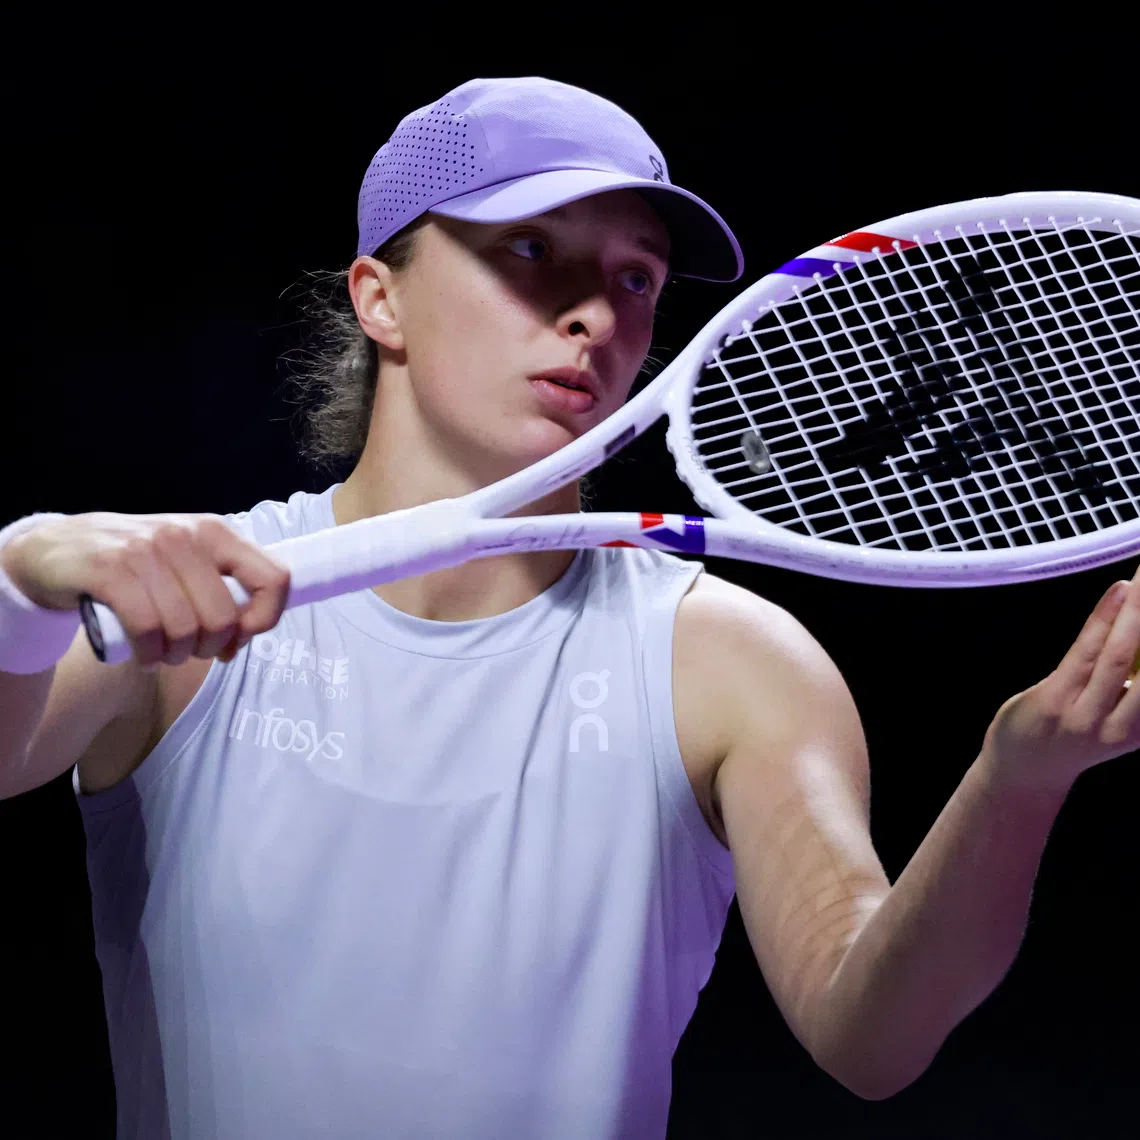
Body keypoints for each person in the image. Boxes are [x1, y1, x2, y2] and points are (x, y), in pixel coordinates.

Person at [1, 76, 1137, 1140]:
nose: (596, 312)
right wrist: (19, 583)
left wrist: (1016, 780)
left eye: (635, 277)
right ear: (380, 298)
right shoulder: (182, 603)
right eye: (532, 251)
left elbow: (871, 1035)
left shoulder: (727, 663)